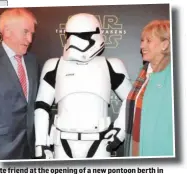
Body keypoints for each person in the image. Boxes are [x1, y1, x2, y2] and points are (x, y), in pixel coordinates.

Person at [34, 13, 132, 159]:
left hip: (100, 142)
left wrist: (121, 129)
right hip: (62, 142)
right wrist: (41, 144)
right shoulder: (54, 65)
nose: (75, 41)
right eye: (71, 35)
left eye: (82, 35)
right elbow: (41, 106)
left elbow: (131, 100)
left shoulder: (111, 65)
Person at [0, 8, 40, 160]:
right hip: (2, 150)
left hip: (30, 147)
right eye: (26, 32)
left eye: (32, 34)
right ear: (7, 31)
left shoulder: (32, 61)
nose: (30, 40)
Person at [124, 20, 173, 157]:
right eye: (142, 40)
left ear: (165, 45)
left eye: (148, 41)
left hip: (161, 151)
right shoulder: (144, 73)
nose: (141, 46)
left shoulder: (174, 74)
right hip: (136, 144)